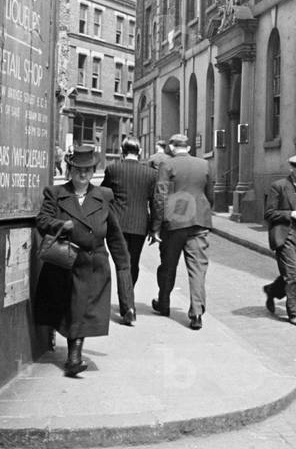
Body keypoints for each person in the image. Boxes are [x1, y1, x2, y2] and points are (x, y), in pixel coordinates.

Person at [34, 145, 132, 377]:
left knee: (81, 310)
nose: (83, 174)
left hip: (93, 263)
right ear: (70, 169)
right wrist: (60, 225)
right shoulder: (55, 193)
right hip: (65, 263)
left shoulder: (104, 196)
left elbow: (114, 234)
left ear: (93, 170)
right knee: (70, 309)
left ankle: (74, 358)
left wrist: (123, 265)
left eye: (88, 169)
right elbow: (42, 220)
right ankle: (72, 355)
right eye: (78, 169)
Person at [152, 133, 216, 330]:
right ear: (188, 148)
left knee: (168, 265)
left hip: (175, 223)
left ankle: (164, 303)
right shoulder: (204, 165)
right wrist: (204, 212)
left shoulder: (167, 165)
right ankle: (196, 313)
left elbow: (160, 197)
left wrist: (156, 226)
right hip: (199, 222)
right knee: (198, 269)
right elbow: (210, 193)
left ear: (171, 147)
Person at [101, 136, 160, 324]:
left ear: (121, 150)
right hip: (140, 225)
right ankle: (128, 300)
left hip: (116, 223)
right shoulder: (150, 174)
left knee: (122, 264)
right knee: (132, 262)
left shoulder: (113, 169)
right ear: (140, 152)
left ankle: (128, 307)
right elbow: (155, 203)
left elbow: (103, 193)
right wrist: (155, 229)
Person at [262, 155, 296, 326]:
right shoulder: (278, 186)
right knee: (294, 274)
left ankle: (272, 290)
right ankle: (295, 313)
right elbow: (269, 213)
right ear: (292, 169)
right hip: (284, 234)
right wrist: (290, 214)